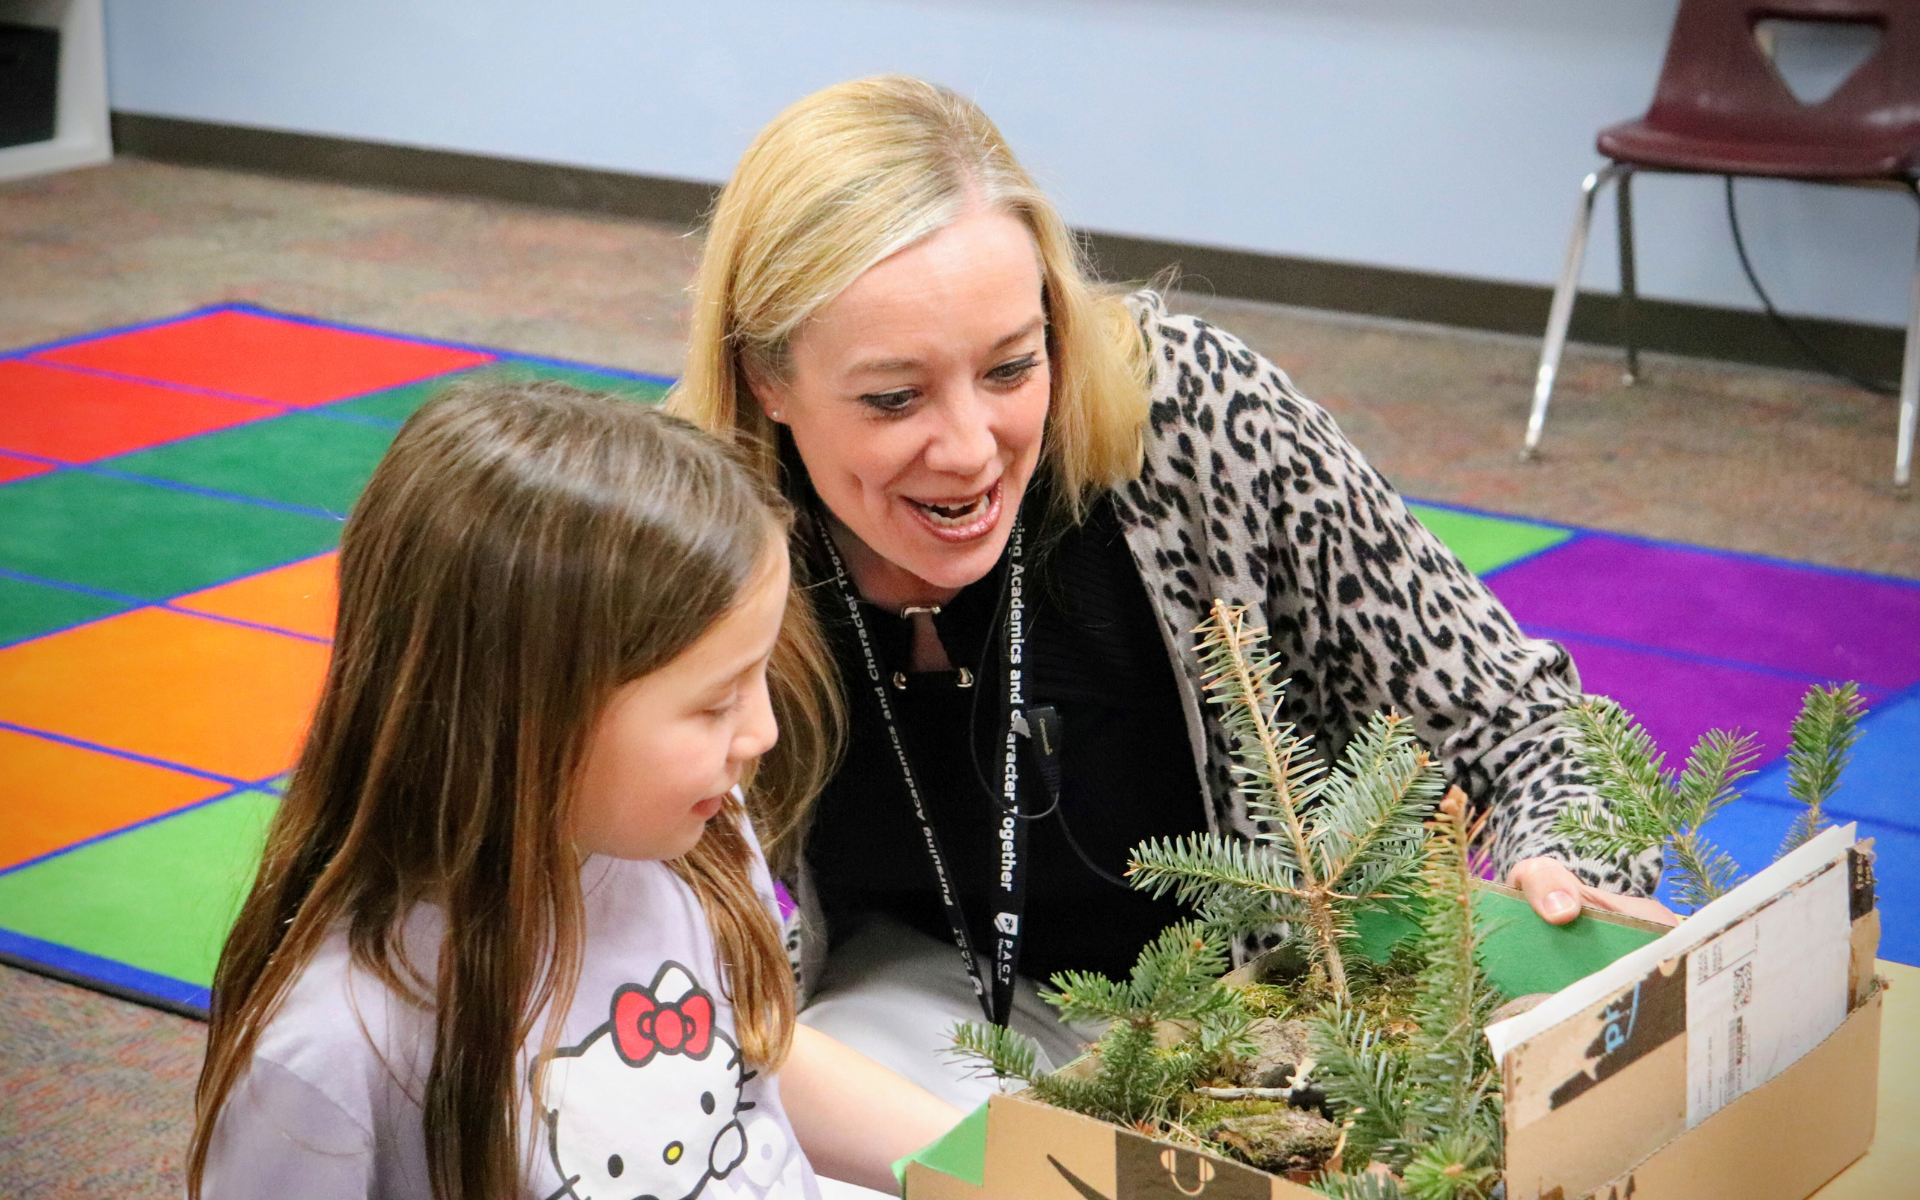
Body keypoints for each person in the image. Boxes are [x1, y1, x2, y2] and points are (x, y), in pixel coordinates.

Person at [669, 75, 1676, 1108]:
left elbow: (1524, 721)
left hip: (1268, 1011)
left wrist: (1568, 869)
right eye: (894, 398)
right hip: (920, 1010)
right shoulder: (701, 537)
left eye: (1014, 368)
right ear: (766, 378)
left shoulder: (1197, 426)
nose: (970, 450)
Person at [187, 381, 959, 1199]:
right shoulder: (337, 1047)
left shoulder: (695, 839)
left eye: (759, 675)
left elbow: (750, 1064)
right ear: (529, 717)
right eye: (714, 701)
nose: (762, 733)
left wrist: (992, 1163)